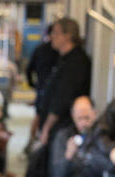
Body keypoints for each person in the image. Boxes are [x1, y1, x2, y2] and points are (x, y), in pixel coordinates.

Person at [32, 17, 91, 149]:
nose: (51, 36)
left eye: (55, 33)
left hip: (63, 128)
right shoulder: (63, 58)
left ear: (67, 36)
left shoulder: (76, 62)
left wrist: (47, 127)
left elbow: (62, 99)